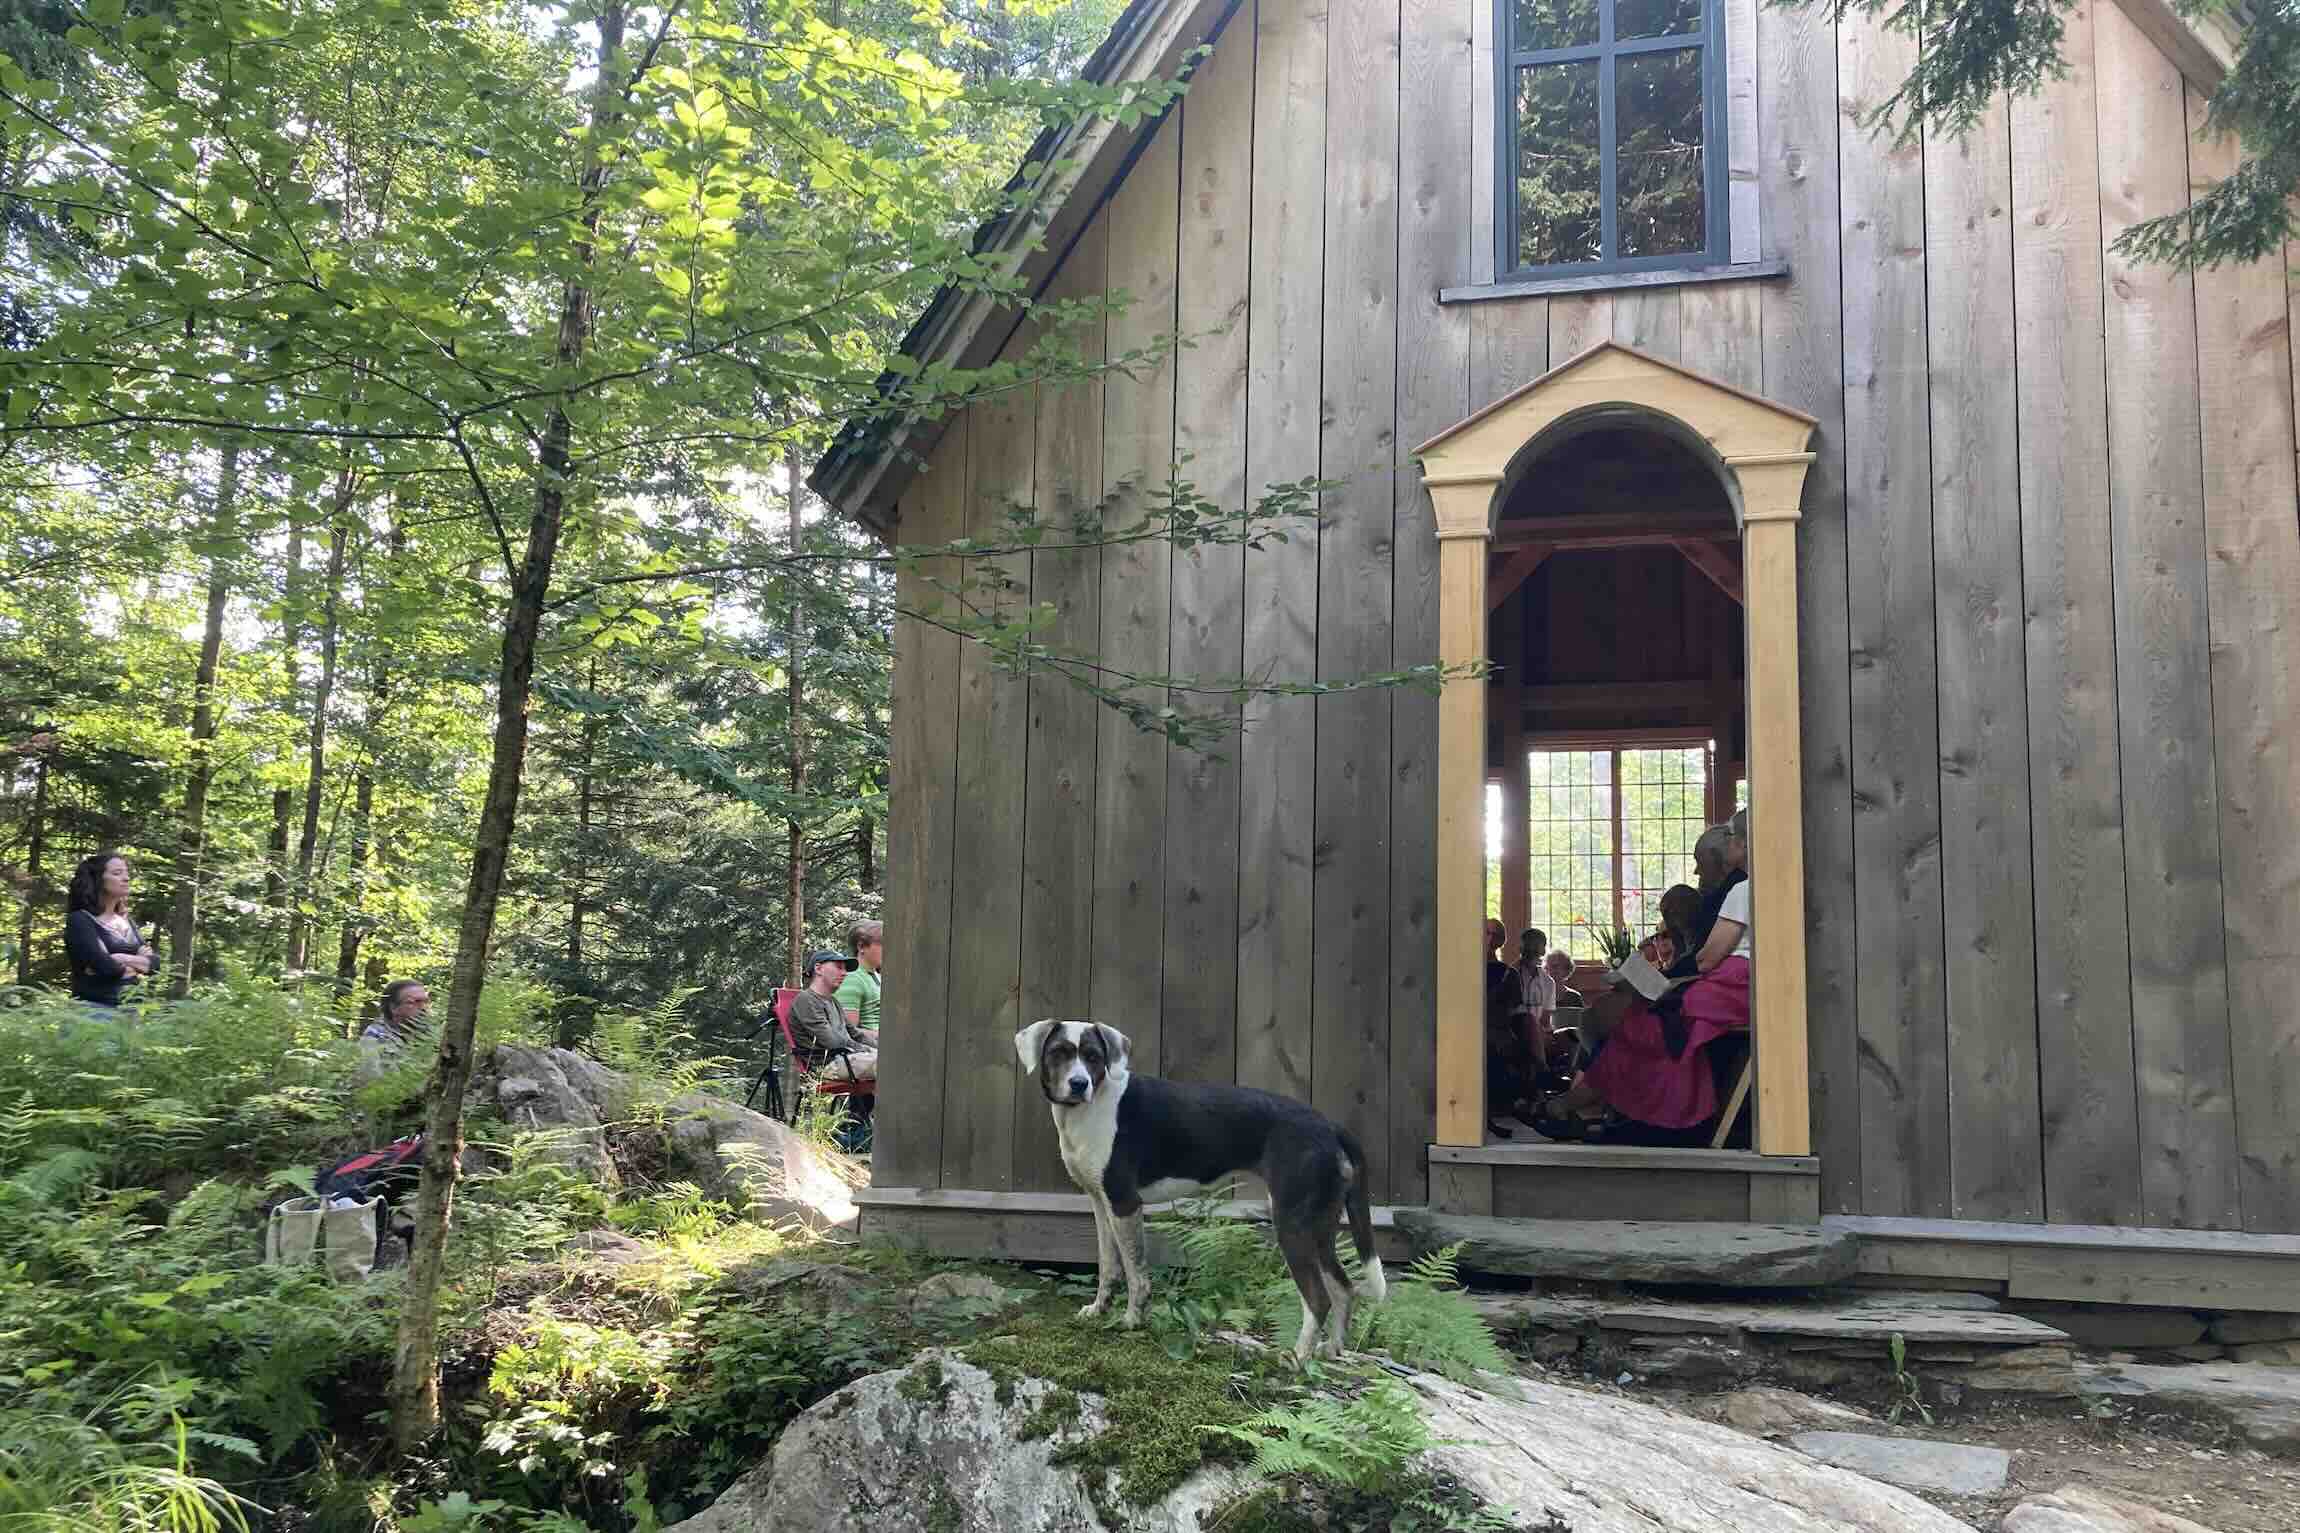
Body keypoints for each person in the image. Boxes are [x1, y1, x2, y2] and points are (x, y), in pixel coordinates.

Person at [64, 851, 153, 1008]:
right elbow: (106, 967)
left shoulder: (126, 921)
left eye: (126, 873)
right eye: (117, 873)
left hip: (131, 1011)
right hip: (93, 1013)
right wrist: (138, 963)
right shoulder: (80, 920)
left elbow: (154, 964)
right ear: (97, 879)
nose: (126, 878)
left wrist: (121, 958)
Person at [788, 950, 877, 1083]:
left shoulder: (833, 1001)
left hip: (848, 1057)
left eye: (845, 969)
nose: (844, 973)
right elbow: (832, 1042)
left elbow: (855, 1034)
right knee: (889, 1064)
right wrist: (864, 1050)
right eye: (839, 967)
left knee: (895, 1057)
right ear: (818, 969)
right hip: (828, 1065)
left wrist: (878, 1048)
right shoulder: (806, 1000)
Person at [836, 920, 883, 1033]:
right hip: (873, 1048)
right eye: (883, 945)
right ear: (861, 946)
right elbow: (846, 1033)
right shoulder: (852, 978)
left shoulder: (875, 975)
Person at [361, 980, 433, 1053]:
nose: (423, 1007)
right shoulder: (376, 1035)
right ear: (393, 1007)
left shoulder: (433, 1034)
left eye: (426, 1001)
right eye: (415, 1002)